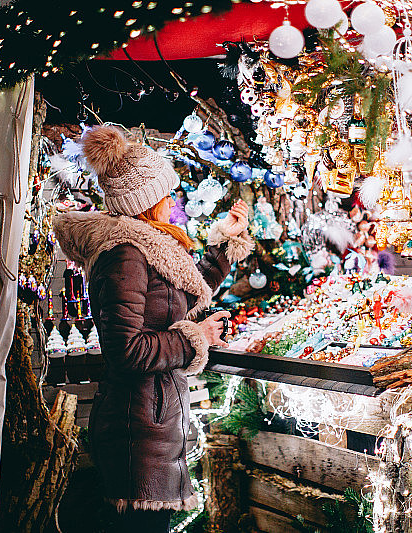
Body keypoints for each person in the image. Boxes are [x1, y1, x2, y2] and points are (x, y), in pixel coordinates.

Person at [54, 125, 253, 532]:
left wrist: (222, 246)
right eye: (166, 192)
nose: (172, 200)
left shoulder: (147, 247)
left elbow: (179, 296)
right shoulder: (125, 254)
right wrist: (196, 339)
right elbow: (126, 350)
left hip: (150, 426)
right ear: (145, 200)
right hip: (136, 433)